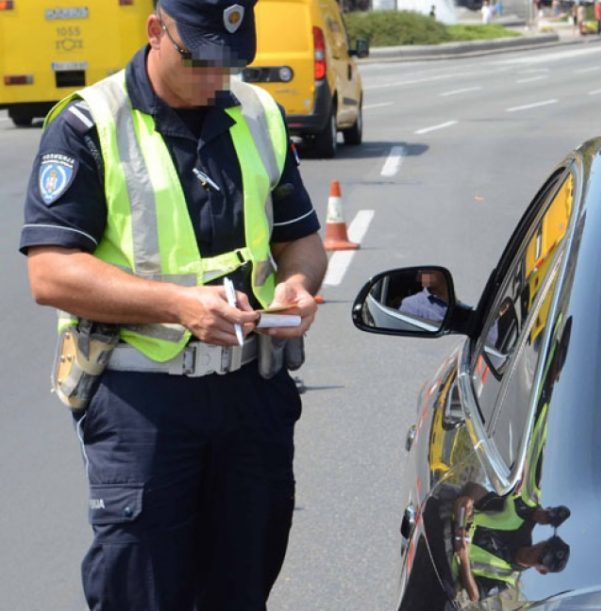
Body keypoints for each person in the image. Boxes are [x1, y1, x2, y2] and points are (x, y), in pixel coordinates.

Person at [19, 0, 328, 608]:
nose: (216, 79)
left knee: (243, 586)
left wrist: (297, 284)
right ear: (156, 31)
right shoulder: (88, 123)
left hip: (249, 394)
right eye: (201, 61)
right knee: (142, 591)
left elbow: (302, 239)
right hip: (144, 404)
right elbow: (50, 273)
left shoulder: (259, 114)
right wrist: (177, 305)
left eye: (230, 64)